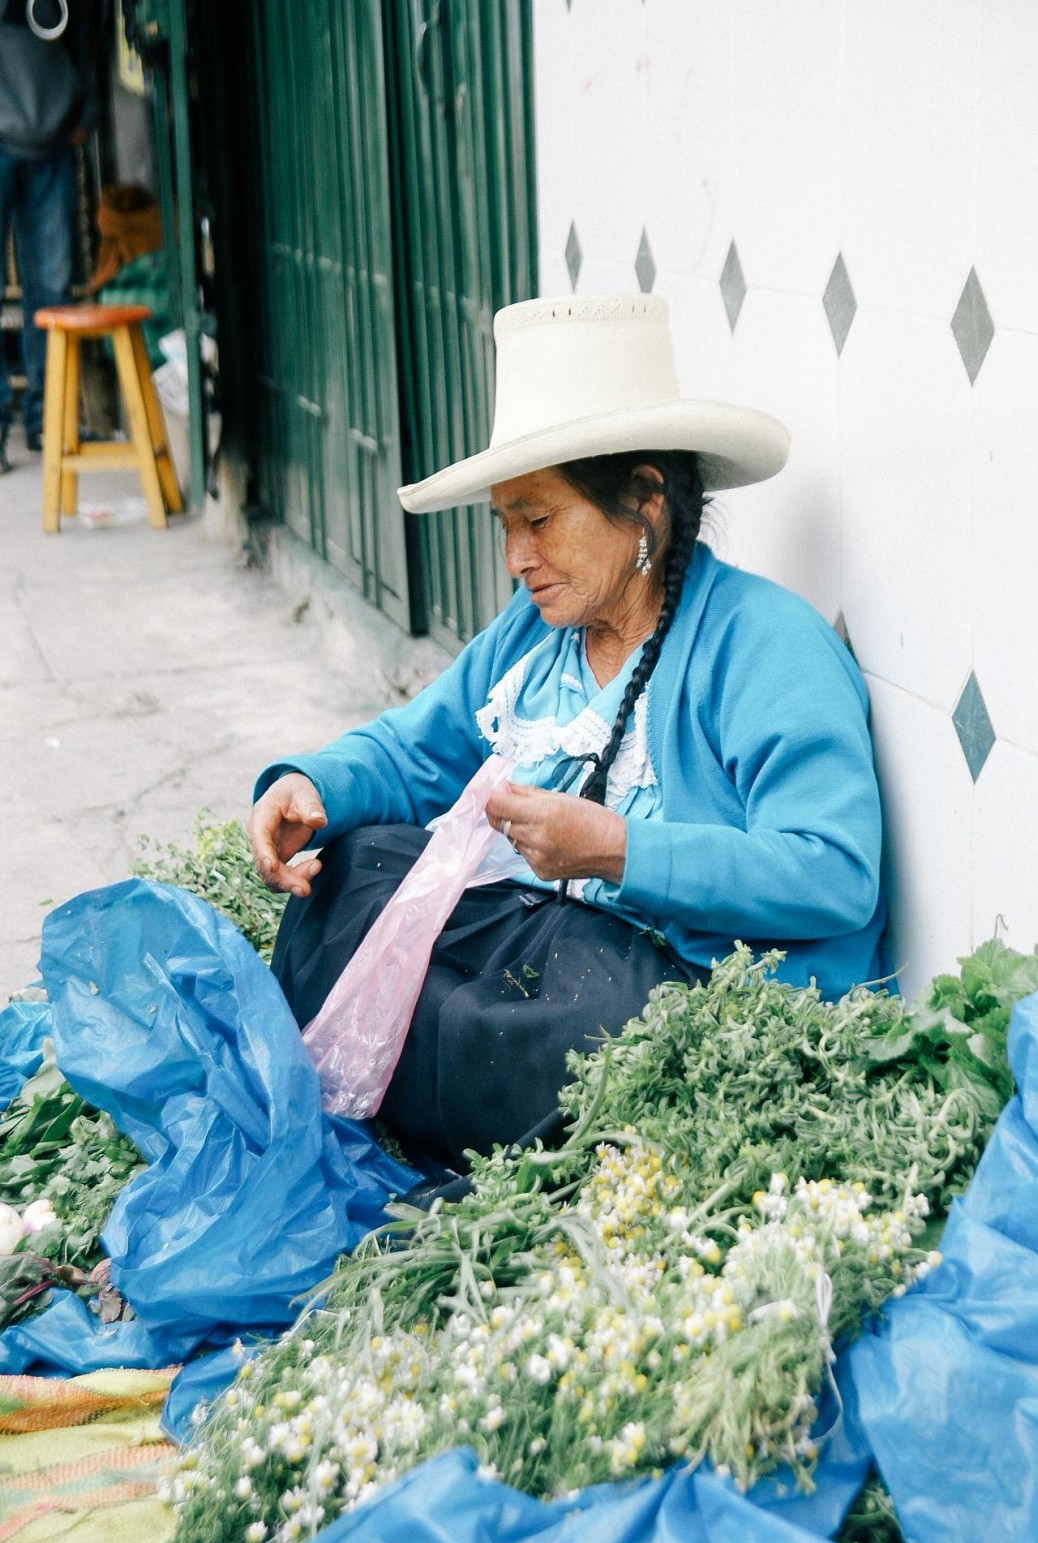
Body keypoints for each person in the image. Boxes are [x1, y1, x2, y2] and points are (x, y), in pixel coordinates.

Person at [248, 293, 890, 1174]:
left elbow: (835, 872)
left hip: (672, 978)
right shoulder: (535, 629)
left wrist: (619, 850)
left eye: (539, 520)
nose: (516, 556)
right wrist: (310, 786)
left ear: (644, 503)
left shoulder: (768, 646)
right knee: (350, 874)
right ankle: (451, 1075)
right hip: (545, 933)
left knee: (571, 1036)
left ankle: (446, 1076)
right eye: (505, 523)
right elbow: (418, 748)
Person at [0, 0, 96, 472]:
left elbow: (86, 31)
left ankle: (48, 421)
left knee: (52, 291)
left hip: (53, 138)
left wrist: (88, 113)